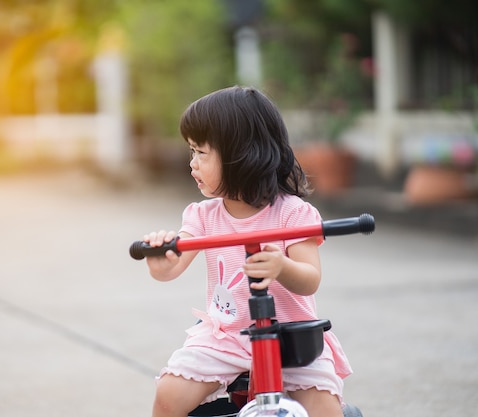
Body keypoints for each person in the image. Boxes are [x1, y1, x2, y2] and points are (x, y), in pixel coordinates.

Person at [142, 86, 352, 417]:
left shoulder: (292, 214)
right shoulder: (202, 215)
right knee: (169, 394)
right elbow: (172, 267)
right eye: (191, 152)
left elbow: (310, 279)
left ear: (241, 154)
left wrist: (282, 266)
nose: (192, 163)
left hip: (290, 337)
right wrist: (159, 261)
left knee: (326, 410)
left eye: (201, 153)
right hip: (225, 336)